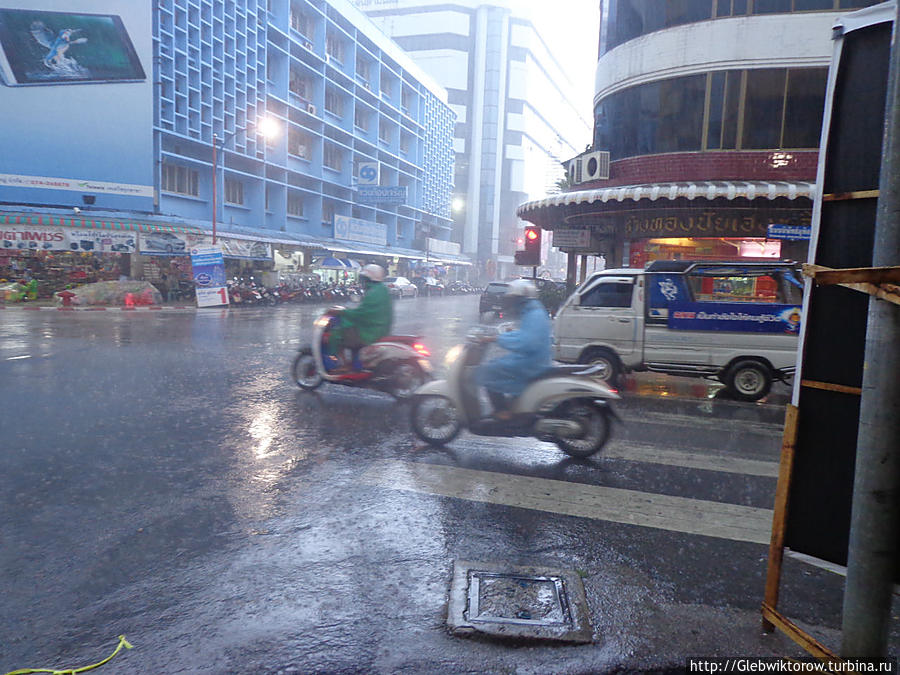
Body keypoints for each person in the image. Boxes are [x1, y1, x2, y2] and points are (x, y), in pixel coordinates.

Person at [476, 279, 552, 419]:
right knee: (496, 364)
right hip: (531, 358)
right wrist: (507, 334)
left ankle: (502, 412)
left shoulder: (534, 314)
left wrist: (497, 339)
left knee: (489, 371)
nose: (512, 303)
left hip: (531, 362)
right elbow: (526, 335)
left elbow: (527, 342)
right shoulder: (533, 311)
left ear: (521, 299)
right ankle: (512, 406)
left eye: (514, 299)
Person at [329, 264, 393, 372]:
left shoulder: (373, 292)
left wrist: (343, 312)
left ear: (369, 278)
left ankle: (343, 364)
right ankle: (354, 363)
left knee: (337, 334)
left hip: (369, 332)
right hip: (379, 329)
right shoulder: (382, 289)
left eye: (364, 278)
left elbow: (361, 314)